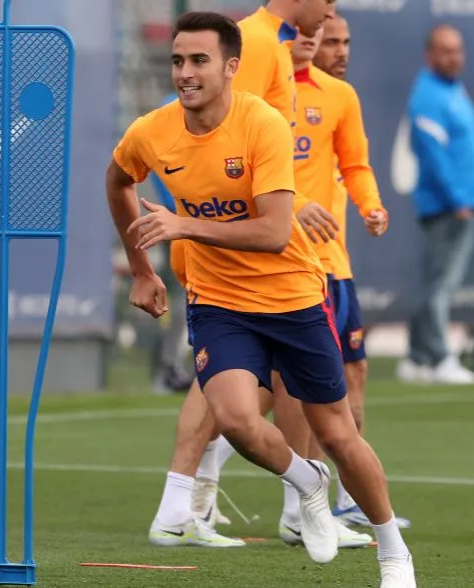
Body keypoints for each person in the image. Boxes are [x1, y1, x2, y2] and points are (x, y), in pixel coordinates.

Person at [106, 12, 417, 586]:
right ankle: (305, 481)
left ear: (231, 67)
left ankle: (393, 552)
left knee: (338, 435)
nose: (185, 72)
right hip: (218, 301)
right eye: (177, 60)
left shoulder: (263, 124)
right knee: (234, 419)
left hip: (291, 295)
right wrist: (142, 272)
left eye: (199, 60)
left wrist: (184, 225)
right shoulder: (152, 130)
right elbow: (118, 180)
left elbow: (274, 232)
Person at [150, 0, 339, 545]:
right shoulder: (252, 43)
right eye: (328, 4)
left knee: (263, 386)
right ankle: (193, 502)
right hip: (232, 255)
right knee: (223, 387)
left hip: (255, 249)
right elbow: (218, 142)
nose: (329, 13)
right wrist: (291, 204)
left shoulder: (277, 45)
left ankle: (204, 503)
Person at [310, 14, 412, 530]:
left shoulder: (340, 98)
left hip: (337, 265)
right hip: (299, 266)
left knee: (352, 374)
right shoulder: (278, 98)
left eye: (346, 42)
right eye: (331, 41)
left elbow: (355, 166)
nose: (342, 50)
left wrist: (371, 206)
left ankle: (347, 500)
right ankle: (198, 485)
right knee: (278, 393)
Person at [396, 24, 474, 386]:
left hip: (460, 203)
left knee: (435, 282)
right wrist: (457, 199)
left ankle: (417, 358)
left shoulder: (452, 88)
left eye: (458, 50)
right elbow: (433, 155)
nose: (455, 57)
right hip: (448, 205)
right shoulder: (429, 95)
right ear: (429, 55)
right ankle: (440, 358)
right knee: (440, 287)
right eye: (446, 51)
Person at [150, 92, 192, 395]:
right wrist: (178, 214)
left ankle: (179, 364)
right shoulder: (168, 110)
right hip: (180, 225)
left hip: (204, 221)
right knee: (181, 295)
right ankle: (170, 367)